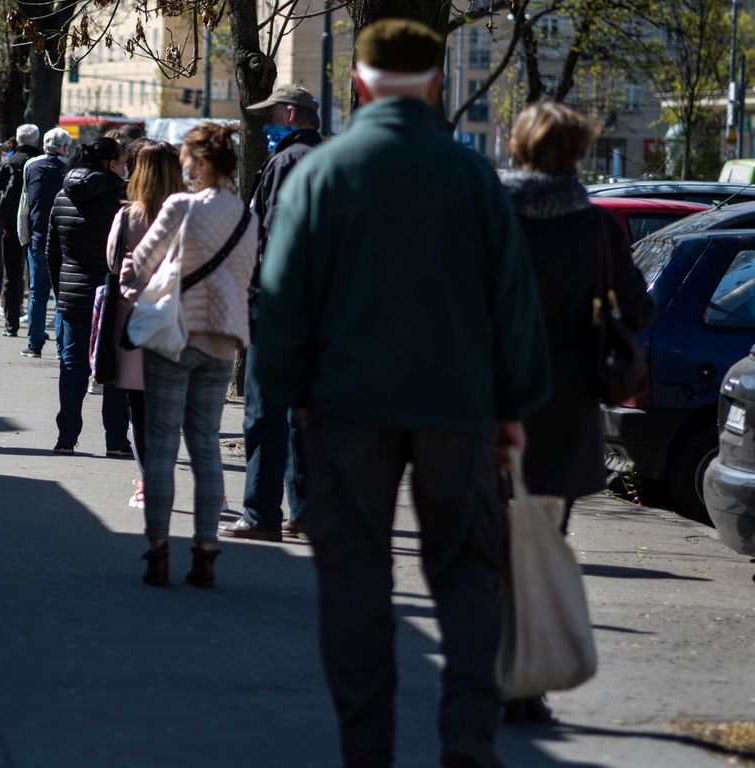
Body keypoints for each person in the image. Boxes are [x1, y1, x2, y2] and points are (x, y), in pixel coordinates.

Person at [256, 21, 550, 767]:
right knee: (466, 578)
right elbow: (512, 302)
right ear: (434, 82)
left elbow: (282, 299)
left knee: (356, 579)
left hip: (346, 409)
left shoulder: (322, 174)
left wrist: (290, 397)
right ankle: (466, 738)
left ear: (357, 84)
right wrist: (513, 406)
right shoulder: (471, 176)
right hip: (458, 408)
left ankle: (368, 748)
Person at [499, 101, 654, 724]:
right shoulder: (593, 225)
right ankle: (525, 681)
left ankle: (479, 662)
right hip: (562, 399)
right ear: (576, 152)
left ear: (519, 146)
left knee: (481, 532)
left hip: (491, 390)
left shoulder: (493, 213)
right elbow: (638, 310)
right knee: (543, 536)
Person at [124, 125, 256, 589]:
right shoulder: (245, 215)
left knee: (161, 444)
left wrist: (148, 274)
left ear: (198, 163)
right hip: (222, 341)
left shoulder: (179, 206)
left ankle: (158, 551)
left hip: (176, 335)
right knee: (205, 445)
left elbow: (141, 260)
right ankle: (205, 553)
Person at [222, 84, 322, 543]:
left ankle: (261, 513)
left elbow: (274, 236)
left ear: (288, 112)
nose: (266, 123)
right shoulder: (330, 160)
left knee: (264, 413)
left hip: (280, 305)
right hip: (323, 308)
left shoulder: (285, 161)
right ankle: (304, 511)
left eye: (271, 114)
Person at [105, 141, 184, 509]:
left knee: (139, 408)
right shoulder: (188, 214)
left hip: (134, 322)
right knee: (176, 409)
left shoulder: (127, 217)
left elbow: (110, 260)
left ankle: (150, 482)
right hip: (179, 322)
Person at [48, 137, 131, 456]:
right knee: (113, 367)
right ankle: (115, 440)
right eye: (123, 162)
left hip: (72, 292)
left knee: (72, 365)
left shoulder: (62, 194)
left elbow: (51, 251)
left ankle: (66, 437)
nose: (125, 168)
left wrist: (61, 290)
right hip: (111, 291)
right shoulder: (122, 198)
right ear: (110, 164)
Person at [17, 127, 73, 357]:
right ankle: (62, 347)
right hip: (63, 240)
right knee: (61, 296)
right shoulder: (70, 169)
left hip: (38, 238)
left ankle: (34, 343)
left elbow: (25, 203)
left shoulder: (32, 166)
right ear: (65, 147)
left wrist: (24, 236)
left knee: (37, 294)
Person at [0, 124, 43, 338]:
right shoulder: (43, 163)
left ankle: (11, 324)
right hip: (38, 228)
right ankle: (36, 327)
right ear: (36, 142)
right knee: (38, 279)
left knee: (11, 275)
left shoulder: (7, 163)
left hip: (10, 227)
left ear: (18, 141)